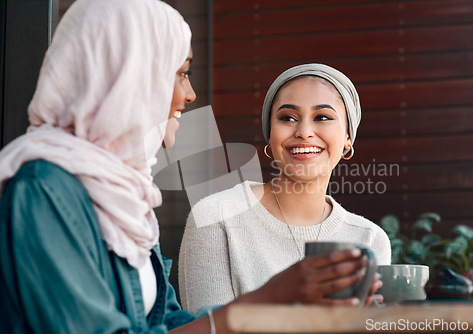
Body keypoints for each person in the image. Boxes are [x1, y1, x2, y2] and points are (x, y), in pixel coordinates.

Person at [0, 0, 381, 333]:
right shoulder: (44, 191)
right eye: (179, 73)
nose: (190, 94)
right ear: (129, 78)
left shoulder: (121, 200)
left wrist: (293, 311)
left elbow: (166, 323)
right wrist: (267, 302)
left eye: (324, 118)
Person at [178, 64, 391, 314]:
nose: (303, 132)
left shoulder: (369, 239)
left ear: (347, 138)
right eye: (287, 118)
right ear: (270, 135)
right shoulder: (215, 218)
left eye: (322, 117)